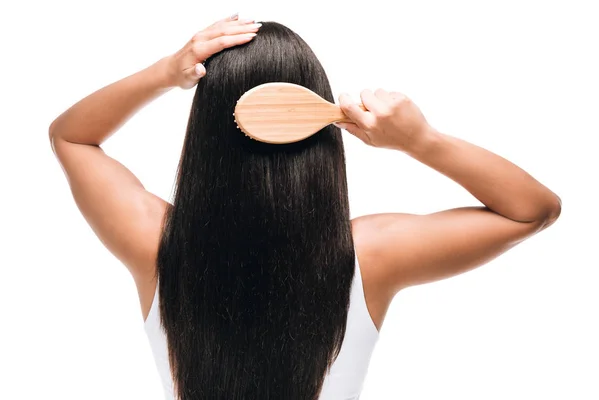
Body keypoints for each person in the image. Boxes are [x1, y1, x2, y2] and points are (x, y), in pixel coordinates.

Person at [48, 14, 561, 400]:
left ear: (204, 130)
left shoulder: (153, 241)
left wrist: (164, 73)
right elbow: (532, 211)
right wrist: (420, 141)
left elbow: (71, 138)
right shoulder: (370, 255)